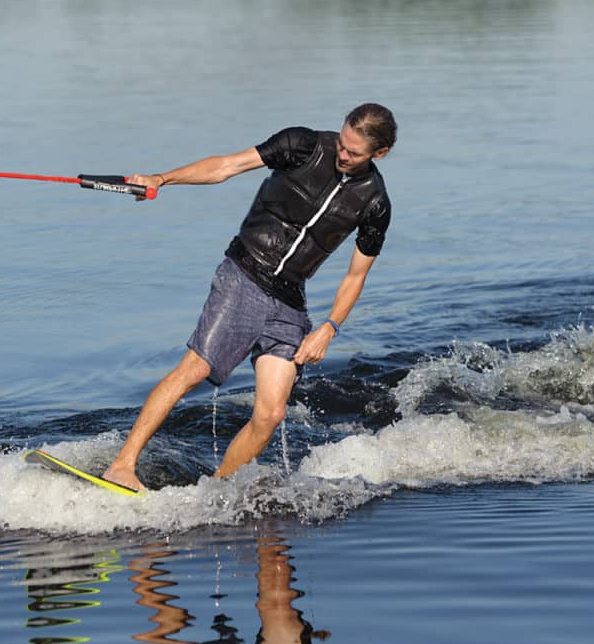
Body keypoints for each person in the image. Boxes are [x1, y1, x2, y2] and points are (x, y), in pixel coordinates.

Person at [103, 103, 396, 492]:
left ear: (380, 154)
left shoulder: (375, 202)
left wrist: (329, 327)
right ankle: (121, 466)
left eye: (354, 153)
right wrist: (162, 179)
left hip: (290, 301)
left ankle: (217, 490)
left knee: (272, 412)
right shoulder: (302, 145)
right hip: (244, 274)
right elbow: (227, 166)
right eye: (343, 143)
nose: (343, 155)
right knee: (195, 369)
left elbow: (356, 275)